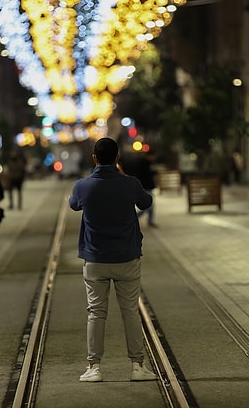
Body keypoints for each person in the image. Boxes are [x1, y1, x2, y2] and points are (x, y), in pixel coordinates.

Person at [68, 137, 157, 383]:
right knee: (130, 311)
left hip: (95, 259)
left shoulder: (83, 186)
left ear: (94, 158)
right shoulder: (130, 184)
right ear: (118, 157)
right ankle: (138, 366)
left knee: (96, 312)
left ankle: (94, 367)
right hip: (127, 256)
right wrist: (125, 176)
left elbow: (74, 205)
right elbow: (146, 202)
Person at [128, 150, 157, 228]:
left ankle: (150, 221)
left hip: (147, 187)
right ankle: (134, 219)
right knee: (148, 206)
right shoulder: (144, 164)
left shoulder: (146, 163)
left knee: (151, 206)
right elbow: (145, 177)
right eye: (153, 156)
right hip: (146, 187)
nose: (154, 158)